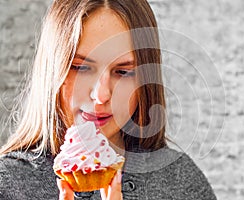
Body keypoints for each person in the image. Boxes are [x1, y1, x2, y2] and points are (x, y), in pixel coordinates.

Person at [0, 0, 217, 199]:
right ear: (51, 70)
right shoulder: (8, 185)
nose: (101, 95)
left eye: (123, 72)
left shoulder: (181, 182)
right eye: (81, 67)